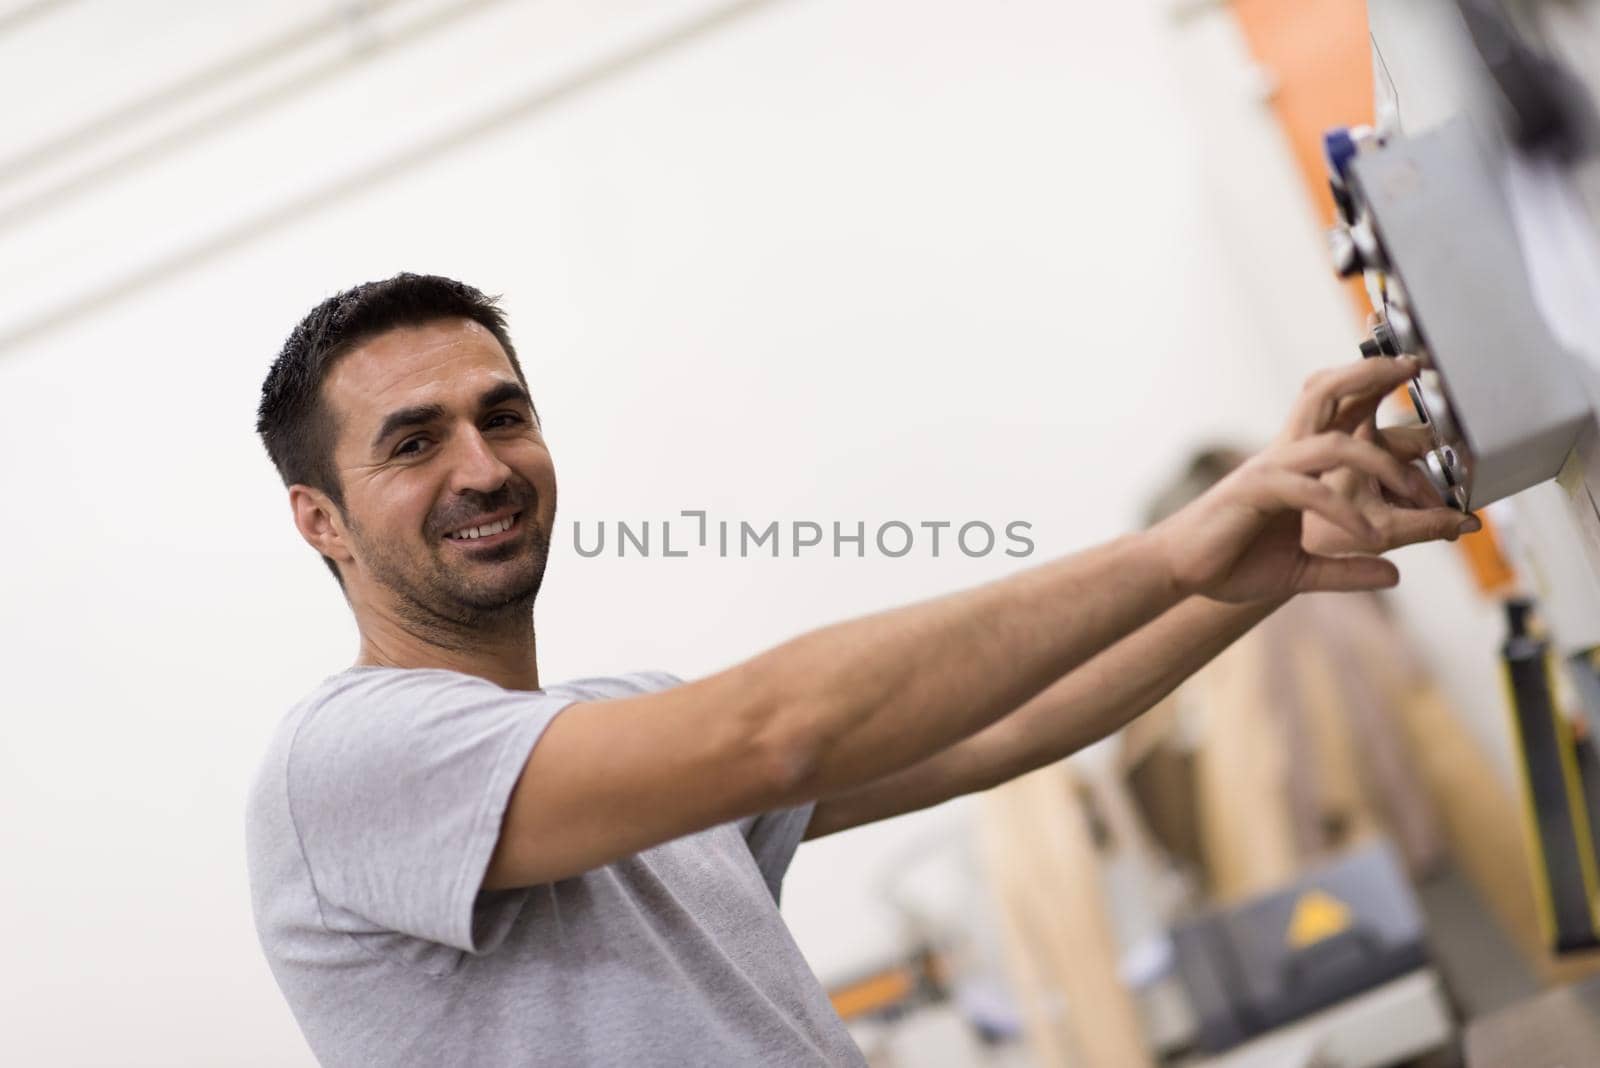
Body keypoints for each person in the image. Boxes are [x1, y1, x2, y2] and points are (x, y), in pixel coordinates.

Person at [245, 273, 1476, 1066]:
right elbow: (777, 732)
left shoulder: (614, 730)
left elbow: (1002, 727)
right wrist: (1168, 551)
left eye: (501, 415)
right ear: (321, 521)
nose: (482, 466)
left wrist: (1256, 564)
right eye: (415, 442)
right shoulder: (346, 761)